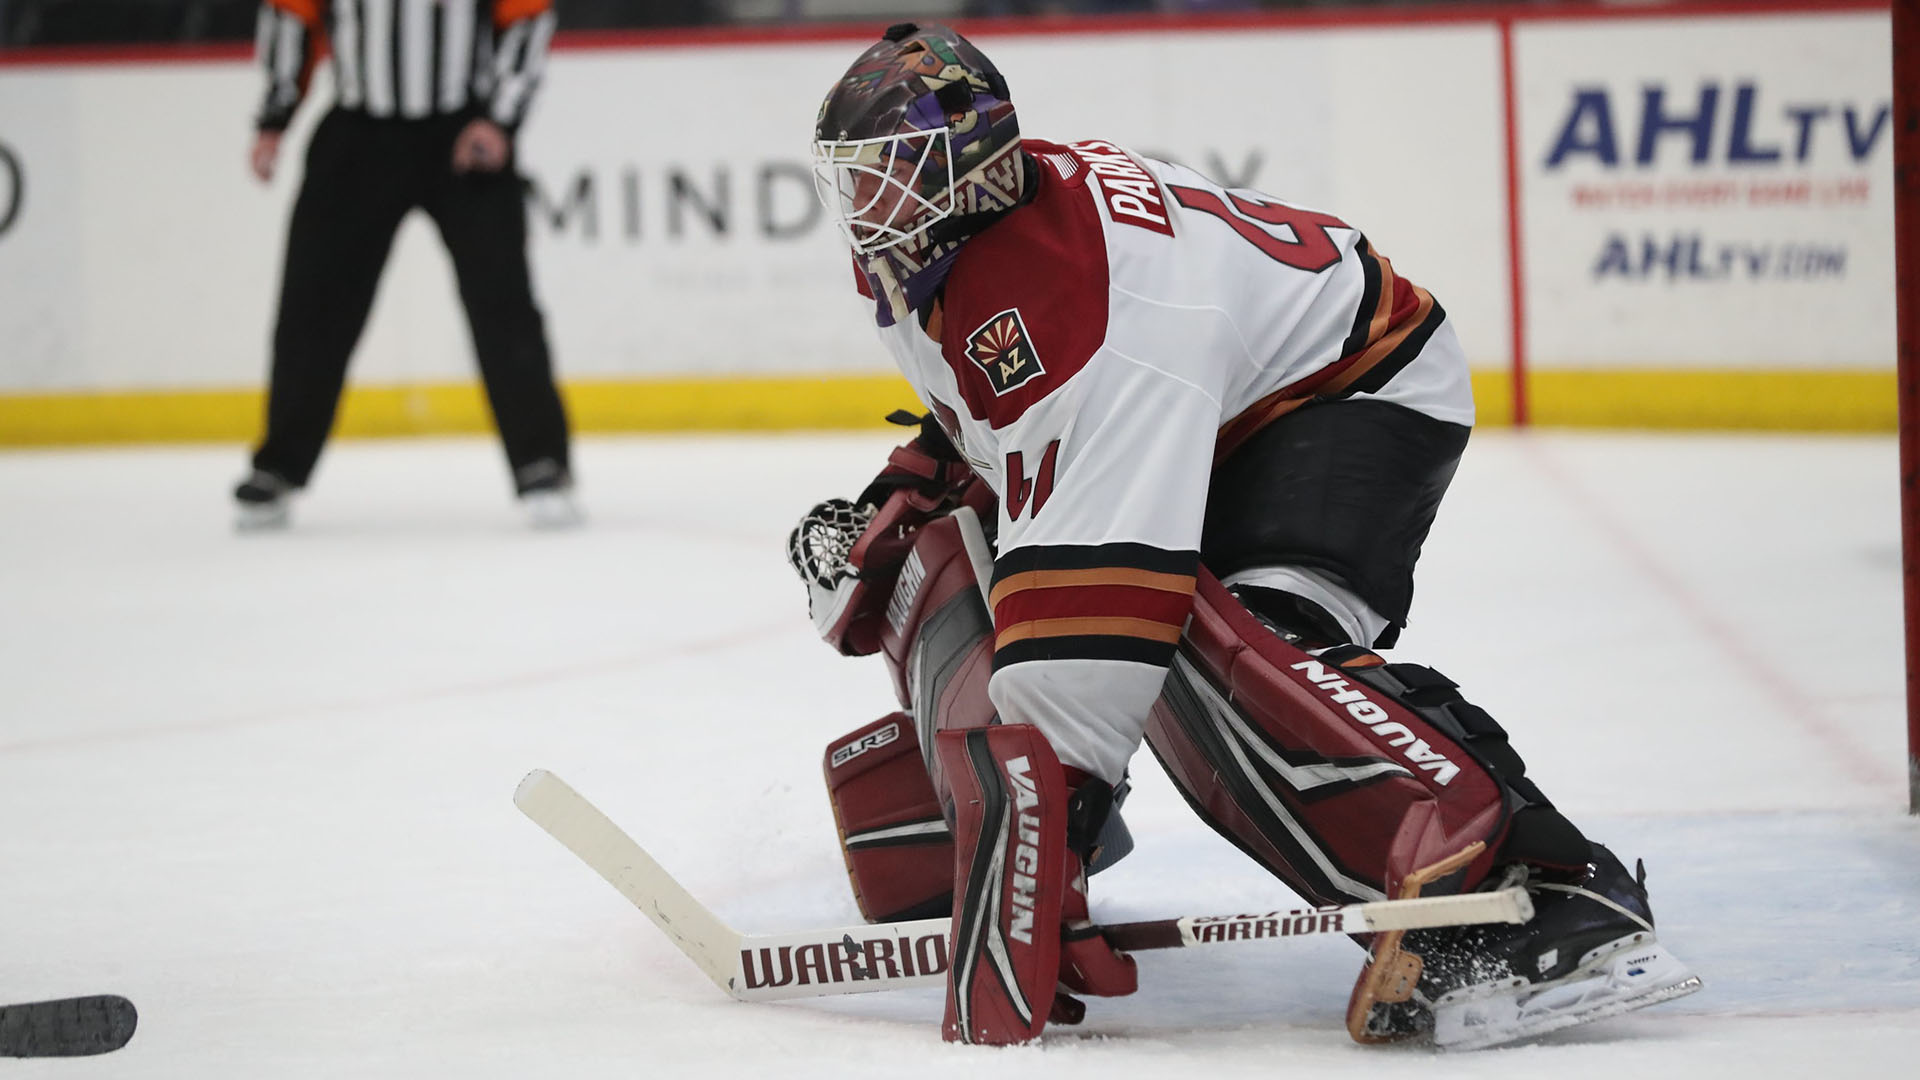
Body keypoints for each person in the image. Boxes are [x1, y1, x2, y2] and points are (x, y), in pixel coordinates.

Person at [788, 22, 1700, 1049]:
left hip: (1354, 388)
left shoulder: (1088, 305)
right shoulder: (962, 248)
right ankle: (968, 811)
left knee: (1243, 650)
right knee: (978, 556)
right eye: (853, 180)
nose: (865, 208)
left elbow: (1100, 607)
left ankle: (1543, 887)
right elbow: (1005, 421)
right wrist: (920, 476)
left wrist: (1053, 827)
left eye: (892, 178)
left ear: (971, 167)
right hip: (1232, 396)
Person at [234, 0, 577, 530]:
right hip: (357, 133)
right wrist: (275, 116)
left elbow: (527, 19)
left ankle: (541, 461)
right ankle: (279, 465)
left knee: (502, 302)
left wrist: (501, 119)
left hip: (463, 131)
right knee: (313, 307)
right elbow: (290, 17)